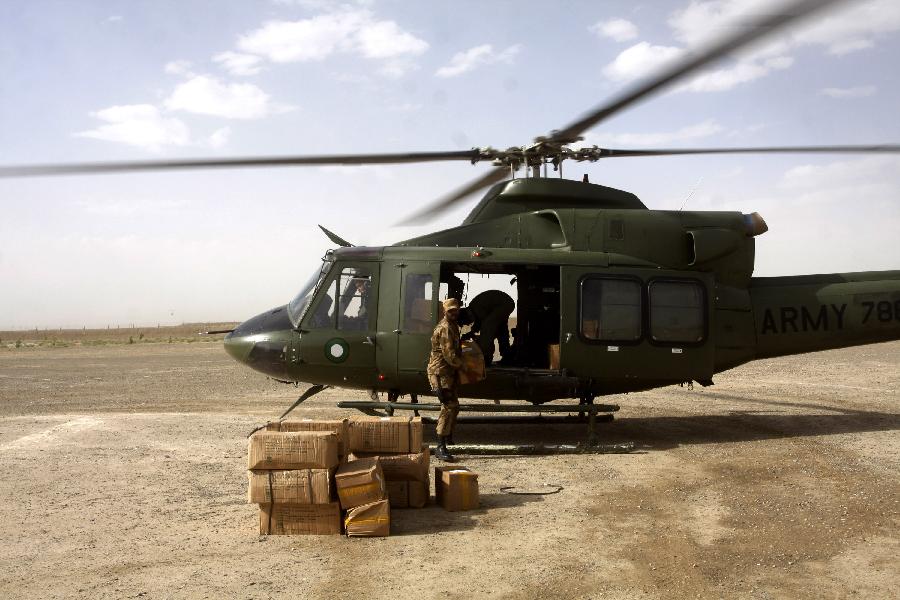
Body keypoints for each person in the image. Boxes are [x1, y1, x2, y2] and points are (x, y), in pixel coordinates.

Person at [427, 297, 463, 461]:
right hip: (441, 373)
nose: (454, 313)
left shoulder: (453, 326)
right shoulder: (446, 328)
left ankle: (447, 436)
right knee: (448, 407)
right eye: (451, 310)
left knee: (454, 407)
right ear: (445, 311)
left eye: (456, 310)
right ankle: (440, 447)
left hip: (448, 373)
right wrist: (465, 366)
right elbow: (450, 356)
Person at [459, 289, 514, 366]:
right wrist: (471, 333)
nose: (468, 324)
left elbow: (485, 327)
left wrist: (474, 337)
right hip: (506, 303)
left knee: (487, 330)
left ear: (466, 316)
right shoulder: (475, 309)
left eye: (466, 323)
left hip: (503, 304)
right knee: (501, 330)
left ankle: (484, 357)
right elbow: (479, 323)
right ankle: (507, 357)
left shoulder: (476, 308)